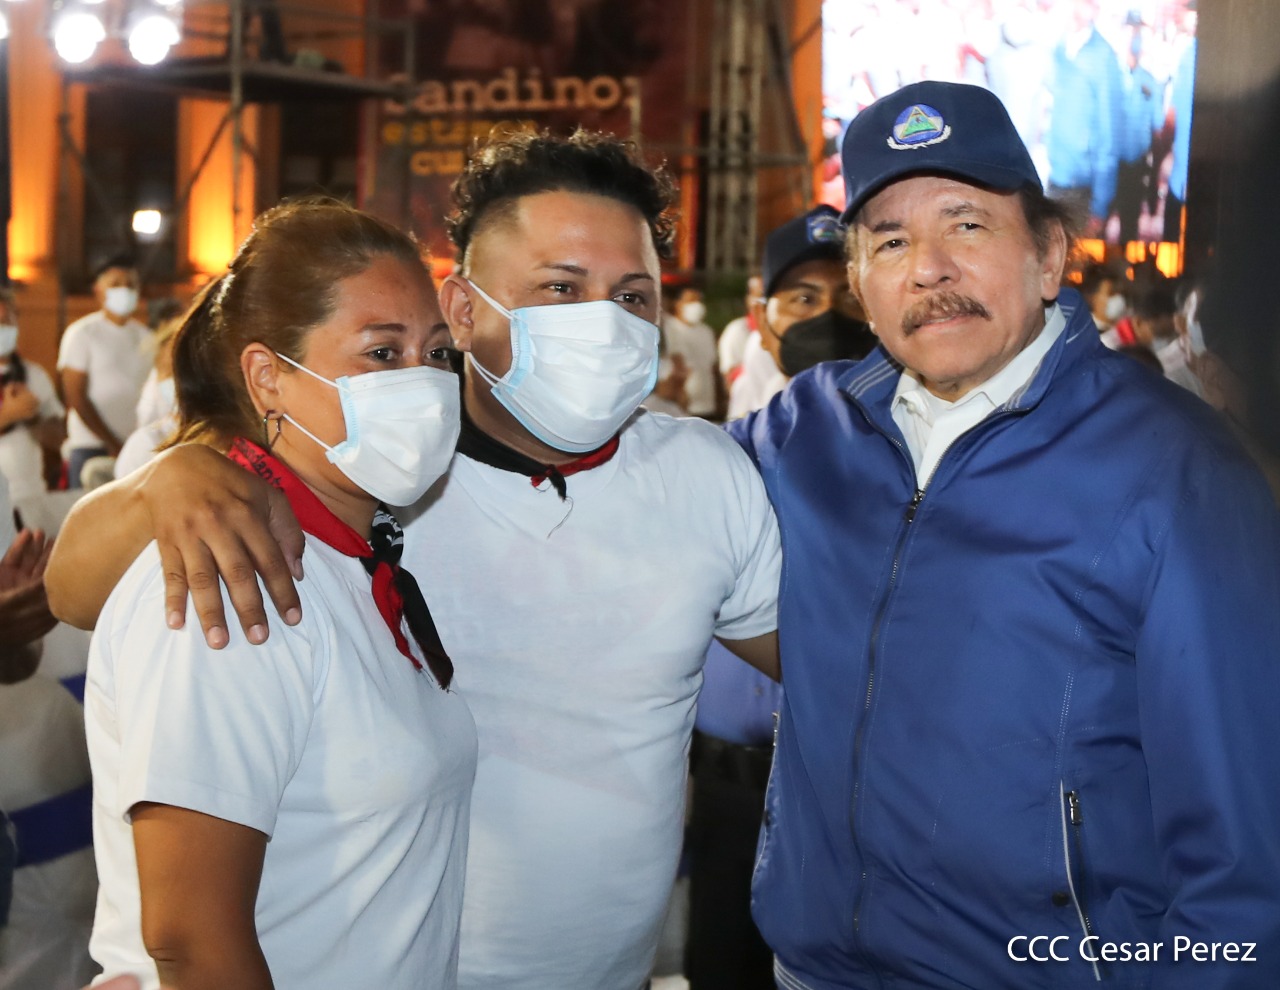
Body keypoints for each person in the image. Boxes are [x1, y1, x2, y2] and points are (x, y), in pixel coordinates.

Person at [46, 131, 782, 990]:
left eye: (632, 295)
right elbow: (77, 593)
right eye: (560, 287)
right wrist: (165, 481)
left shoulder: (702, 474)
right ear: (464, 308)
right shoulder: (359, 472)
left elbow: (826, 666)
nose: (603, 322)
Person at [729, 80, 1280, 988]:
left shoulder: (1175, 471)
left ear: (1049, 254)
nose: (930, 269)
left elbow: (1243, 850)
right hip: (815, 970)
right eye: (890, 241)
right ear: (860, 284)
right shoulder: (802, 433)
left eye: (968, 225)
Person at [81, 199, 476, 989]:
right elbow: (192, 939)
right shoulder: (227, 578)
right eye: (382, 352)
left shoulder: (355, 557)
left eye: (437, 353)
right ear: (269, 377)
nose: (424, 382)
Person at [726, 204, 876, 420]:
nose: (828, 315)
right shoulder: (744, 439)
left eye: (852, 298)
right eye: (804, 299)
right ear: (761, 320)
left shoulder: (915, 431)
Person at [56, 258, 151, 488]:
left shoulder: (146, 336)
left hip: (134, 449)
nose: (124, 290)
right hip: (91, 447)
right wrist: (111, 442)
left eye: (130, 284)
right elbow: (75, 395)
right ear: (98, 290)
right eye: (115, 284)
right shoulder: (82, 333)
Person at [1043, 0, 1123, 235]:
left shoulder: (1103, 56)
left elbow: (1109, 134)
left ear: (1094, 9)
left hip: (1080, 188)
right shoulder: (1059, 46)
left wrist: (1100, 205)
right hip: (1053, 179)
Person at [0, 288, 66, 501]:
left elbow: (58, 439)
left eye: (6, 321)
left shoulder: (34, 375)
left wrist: (33, 417)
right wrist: (8, 416)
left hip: (29, 494)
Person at [660, 284, 721, 418]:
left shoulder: (706, 331)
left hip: (706, 407)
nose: (697, 305)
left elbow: (712, 368)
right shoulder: (669, 328)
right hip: (678, 408)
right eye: (691, 301)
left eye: (698, 301)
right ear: (677, 304)